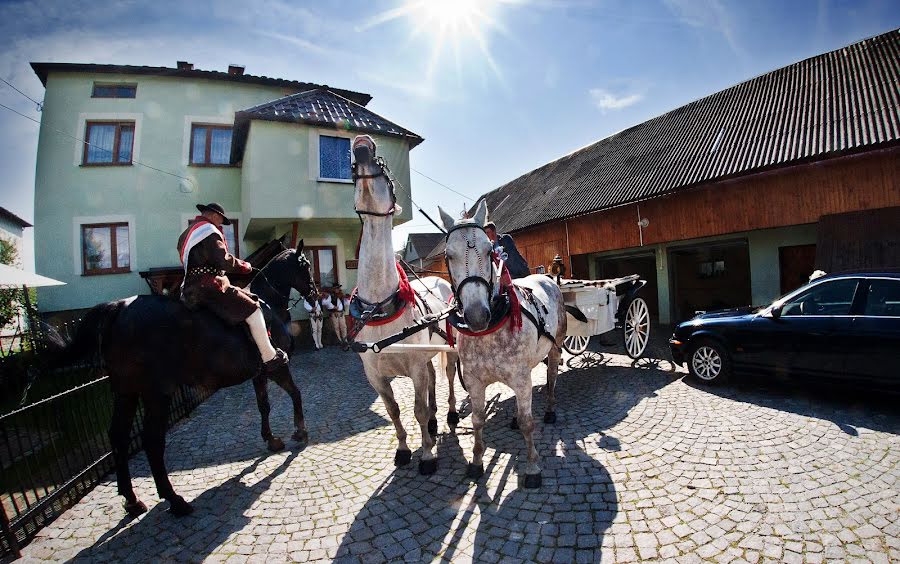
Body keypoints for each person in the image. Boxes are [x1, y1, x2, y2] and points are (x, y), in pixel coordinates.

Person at [177, 202, 287, 371]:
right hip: (209, 286)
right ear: (214, 215)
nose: (220, 224)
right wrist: (245, 266)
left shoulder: (186, 234)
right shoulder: (208, 231)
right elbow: (222, 260)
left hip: (190, 286)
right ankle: (269, 356)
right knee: (254, 307)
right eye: (221, 220)